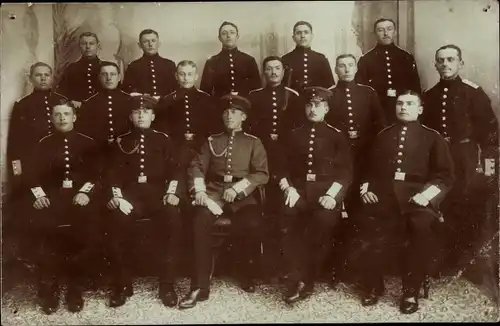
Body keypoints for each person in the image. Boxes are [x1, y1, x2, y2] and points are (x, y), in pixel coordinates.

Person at [356, 91, 454, 314]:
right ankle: (374, 285)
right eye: (400, 103)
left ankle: (410, 290)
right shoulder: (383, 135)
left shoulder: (433, 137)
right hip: (385, 195)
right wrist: (367, 188)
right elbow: (371, 169)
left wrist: (426, 196)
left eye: (410, 104)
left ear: (419, 109)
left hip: (417, 197)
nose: (403, 107)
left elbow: (445, 176)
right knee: (368, 224)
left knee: (419, 228)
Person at [179, 94, 269, 309]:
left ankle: (245, 274)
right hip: (214, 192)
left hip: (243, 195)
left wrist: (238, 189)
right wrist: (199, 191)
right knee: (200, 220)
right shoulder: (212, 141)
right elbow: (196, 166)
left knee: (252, 223)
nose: (230, 116)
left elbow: (262, 173)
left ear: (243, 117)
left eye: (235, 112)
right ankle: (199, 285)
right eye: (227, 112)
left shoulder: (253, 142)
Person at [421, 44, 498, 273]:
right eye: (441, 60)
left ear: (460, 63)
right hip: (440, 159)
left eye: (451, 60)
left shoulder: (473, 92)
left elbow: (490, 133)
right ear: (435, 65)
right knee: (442, 205)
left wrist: (489, 165)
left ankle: (467, 263)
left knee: (468, 206)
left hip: (466, 157)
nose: (445, 64)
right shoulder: (430, 95)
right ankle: (446, 258)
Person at [104, 94, 184, 308]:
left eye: (146, 111)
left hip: (158, 195)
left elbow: (176, 170)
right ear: (130, 116)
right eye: (137, 112)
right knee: (116, 222)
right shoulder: (121, 141)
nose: (141, 115)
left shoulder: (163, 140)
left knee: (173, 221)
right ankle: (121, 283)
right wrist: (117, 196)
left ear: (153, 115)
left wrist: (172, 192)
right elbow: (112, 173)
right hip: (130, 197)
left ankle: (166, 284)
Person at [276, 86, 353, 304]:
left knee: (321, 223)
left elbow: (345, 172)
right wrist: (288, 188)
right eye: (309, 105)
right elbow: (281, 169)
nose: (312, 109)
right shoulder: (293, 135)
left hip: (325, 195)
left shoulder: (337, 137)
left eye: (318, 105)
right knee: (287, 220)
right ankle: (294, 275)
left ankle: (306, 279)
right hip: (298, 193)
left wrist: (332, 196)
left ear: (327, 108)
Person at [24, 100, 100, 314]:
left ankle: (75, 289)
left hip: (80, 199)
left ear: (74, 117)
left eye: (66, 114)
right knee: (44, 233)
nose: (62, 118)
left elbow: (96, 174)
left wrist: (85, 192)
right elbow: (30, 176)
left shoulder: (88, 143)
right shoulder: (42, 144)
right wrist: (38, 196)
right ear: (51, 118)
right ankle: (51, 287)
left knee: (85, 232)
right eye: (57, 115)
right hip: (51, 200)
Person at [326, 54, 387, 282]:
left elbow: (380, 127)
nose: (346, 69)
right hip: (339, 163)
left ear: (356, 68)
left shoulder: (368, 93)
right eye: (341, 66)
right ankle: (336, 266)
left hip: (364, 160)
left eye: (350, 65)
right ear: (335, 69)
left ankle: (362, 267)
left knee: (362, 212)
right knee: (337, 212)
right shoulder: (329, 94)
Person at [6, 62, 68, 265]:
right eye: (38, 75)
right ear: (30, 78)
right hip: (35, 169)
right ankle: (37, 259)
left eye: (47, 75)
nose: (43, 78)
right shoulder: (22, 105)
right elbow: (15, 143)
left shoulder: (62, 102)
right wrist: (18, 174)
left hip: (60, 166)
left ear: (52, 77)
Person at [247, 56, 304, 217]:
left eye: (277, 68)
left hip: (286, 149)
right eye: (269, 68)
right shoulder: (254, 96)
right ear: (264, 72)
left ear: (283, 71)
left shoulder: (293, 96)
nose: (273, 72)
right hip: (261, 149)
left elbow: (298, 126)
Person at [355, 18, 421, 123]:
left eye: (389, 29)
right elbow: (361, 90)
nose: (386, 33)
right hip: (377, 110)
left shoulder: (406, 57)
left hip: (403, 109)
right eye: (380, 30)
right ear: (375, 34)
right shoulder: (366, 59)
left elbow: (415, 86)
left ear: (395, 32)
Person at [155, 60, 219, 167]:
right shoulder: (167, 100)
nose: (185, 78)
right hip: (176, 148)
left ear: (196, 76)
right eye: (182, 74)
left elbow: (212, 126)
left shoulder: (206, 99)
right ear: (176, 76)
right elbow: (162, 128)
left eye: (190, 74)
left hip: (201, 147)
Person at [200, 21, 261, 99]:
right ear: (219, 38)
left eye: (232, 32)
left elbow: (256, 91)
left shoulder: (249, 60)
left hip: (244, 107)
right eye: (224, 33)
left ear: (237, 36)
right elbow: (205, 93)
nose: (228, 36)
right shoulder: (211, 62)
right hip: (220, 107)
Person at [79, 61, 132, 148]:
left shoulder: (129, 100)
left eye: (112, 74)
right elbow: (84, 131)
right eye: (104, 74)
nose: (109, 78)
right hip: (98, 149)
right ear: (99, 77)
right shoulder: (89, 102)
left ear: (119, 77)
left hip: (124, 149)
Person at [122, 29, 177, 100]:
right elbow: (127, 91)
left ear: (159, 43)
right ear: (140, 45)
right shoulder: (133, 66)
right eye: (145, 41)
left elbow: (176, 90)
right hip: (143, 108)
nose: (150, 44)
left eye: (153, 41)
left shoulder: (170, 65)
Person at [281, 21, 335, 92]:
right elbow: (282, 87)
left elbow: (329, 86)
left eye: (306, 32)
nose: (302, 36)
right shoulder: (285, 59)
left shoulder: (321, 58)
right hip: (293, 100)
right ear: (293, 37)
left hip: (316, 100)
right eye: (298, 33)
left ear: (312, 36)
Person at [56, 32, 102, 108]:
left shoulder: (106, 67)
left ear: (98, 46)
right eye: (84, 43)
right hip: (79, 113)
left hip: (101, 111)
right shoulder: (71, 68)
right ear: (79, 46)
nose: (88, 47)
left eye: (91, 43)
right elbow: (61, 94)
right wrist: (70, 102)